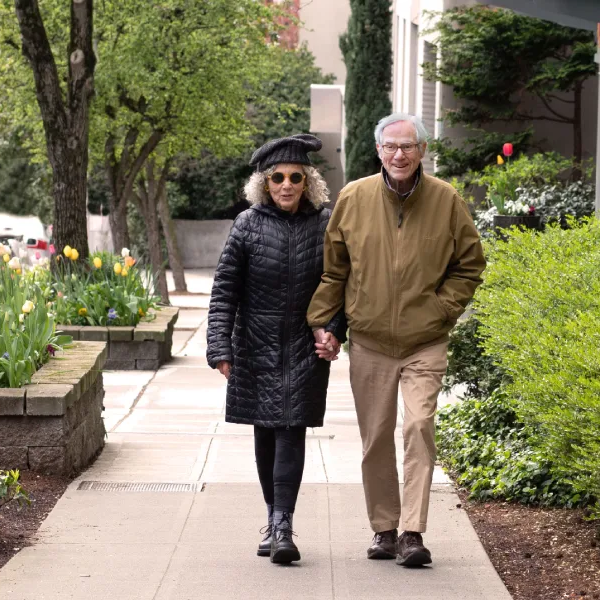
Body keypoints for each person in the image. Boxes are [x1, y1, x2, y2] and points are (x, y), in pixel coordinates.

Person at [307, 113, 486, 566]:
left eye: (408, 146)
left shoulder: (446, 200)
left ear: (423, 151)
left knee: (419, 427)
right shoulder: (354, 198)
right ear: (378, 151)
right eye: (391, 147)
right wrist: (322, 323)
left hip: (425, 340)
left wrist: (440, 310)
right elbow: (335, 270)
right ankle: (384, 529)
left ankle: (412, 532)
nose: (399, 155)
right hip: (369, 340)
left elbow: (469, 265)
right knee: (375, 438)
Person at [207, 134, 345, 565]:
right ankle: (274, 517)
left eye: (295, 177)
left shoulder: (325, 223)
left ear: (308, 181)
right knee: (265, 432)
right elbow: (224, 290)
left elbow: (342, 285)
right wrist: (219, 346)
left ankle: (282, 524)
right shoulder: (247, 224)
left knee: (292, 429)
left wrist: (335, 330)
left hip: (304, 347)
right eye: (278, 177)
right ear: (265, 183)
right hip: (255, 344)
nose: (287, 185)